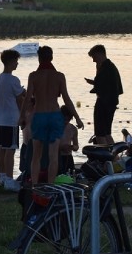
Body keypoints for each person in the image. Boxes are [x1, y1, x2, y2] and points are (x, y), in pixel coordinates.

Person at [19, 46, 84, 185]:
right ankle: (50, 185)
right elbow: (66, 98)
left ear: (39, 58)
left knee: (36, 155)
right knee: (53, 156)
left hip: (40, 115)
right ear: (52, 57)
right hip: (55, 116)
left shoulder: (34, 76)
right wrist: (77, 117)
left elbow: (27, 97)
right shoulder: (59, 76)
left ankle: (35, 186)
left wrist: (22, 117)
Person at [0, 49, 26, 188]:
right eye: (16, 61)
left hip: (0, 119)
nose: (17, 64)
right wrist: (23, 116)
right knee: (10, 150)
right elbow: (20, 98)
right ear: (10, 62)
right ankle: (9, 179)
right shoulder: (14, 80)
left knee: (2, 148)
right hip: (11, 119)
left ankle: (2, 176)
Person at [84, 44, 123, 145]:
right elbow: (105, 84)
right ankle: (114, 157)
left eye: (94, 57)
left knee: (100, 134)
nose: (93, 60)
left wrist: (95, 81)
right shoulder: (109, 67)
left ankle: (106, 157)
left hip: (104, 102)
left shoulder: (107, 68)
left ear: (100, 54)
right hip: (110, 102)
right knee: (106, 133)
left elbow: (104, 85)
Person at [58, 105, 80, 177]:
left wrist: (72, 147)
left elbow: (76, 147)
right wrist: (61, 148)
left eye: (68, 120)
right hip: (57, 156)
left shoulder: (73, 129)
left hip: (68, 156)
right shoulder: (55, 127)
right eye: (63, 119)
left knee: (70, 176)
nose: (65, 122)